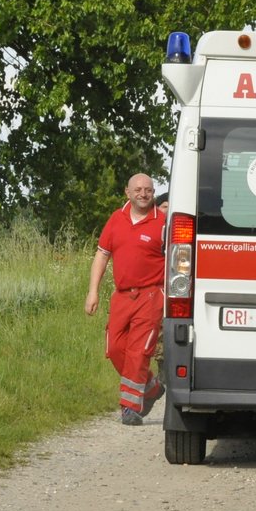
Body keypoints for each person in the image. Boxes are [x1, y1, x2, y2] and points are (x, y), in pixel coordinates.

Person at [85, 174, 167, 425]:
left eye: (149, 190)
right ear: (127, 192)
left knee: (138, 351)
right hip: (122, 296)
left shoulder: (164, 222)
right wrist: (93, 291)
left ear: (154, 193)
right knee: (115, 348)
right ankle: (151, 387)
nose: (143, 194)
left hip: (151, 294)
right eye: (138, 190)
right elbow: (102, 255)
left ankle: (130, 407)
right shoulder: (116, 219)